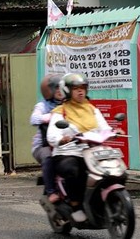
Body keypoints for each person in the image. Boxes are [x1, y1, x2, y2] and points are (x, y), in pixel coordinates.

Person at [47, 72, 120, 223]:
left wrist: (114, 131)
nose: (80, 91)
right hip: (68, 152)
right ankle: (75, 205)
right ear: (67, 90)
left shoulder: (92, 109)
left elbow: (103, 128)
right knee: (74, 171)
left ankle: (101, 202)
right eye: (76, 88)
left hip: (91, 151)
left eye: (83, 88)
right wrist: (62, 139)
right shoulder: (60, 112)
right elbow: (52, 135)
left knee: (109, 170)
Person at [30, 73, 64, 203]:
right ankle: (51, 191)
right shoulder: (43, 106)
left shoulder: (68, 104)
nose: (60, 91)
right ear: (49, 91)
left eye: (62, 88)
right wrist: (50, 117)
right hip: (43, 145)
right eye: (56, 88)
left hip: (64, 143)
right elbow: (33, 119)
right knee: (48, 157)